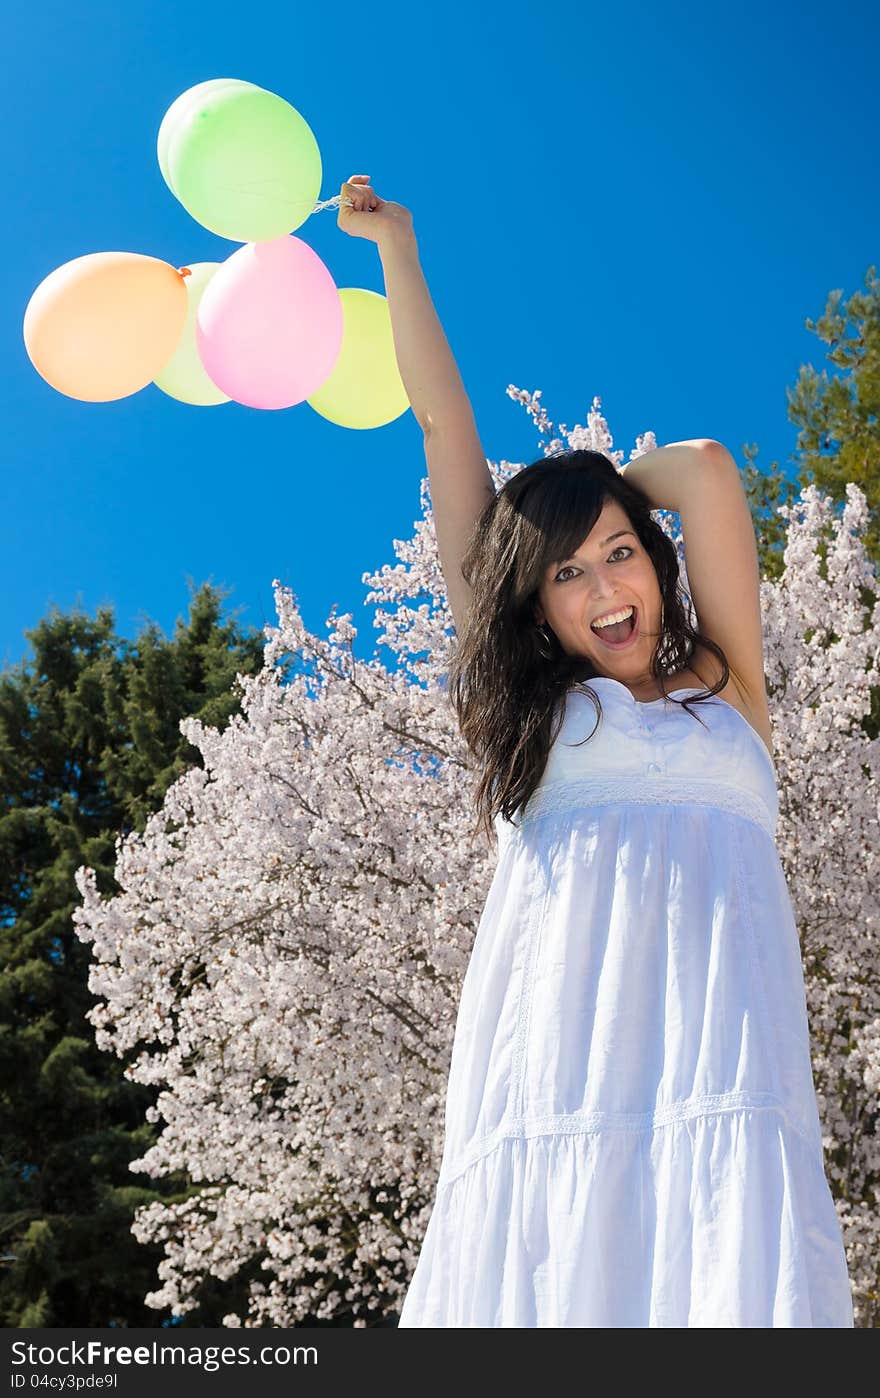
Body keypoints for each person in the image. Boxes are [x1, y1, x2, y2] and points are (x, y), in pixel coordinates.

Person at [338, 177, 855, 1327]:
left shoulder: (729, 683)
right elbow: (441, 430)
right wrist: (400, 254)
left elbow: (712, 468)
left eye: (619, 552)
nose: (603, 587)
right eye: (564, 574)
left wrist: (583, 488)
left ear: (655, 561)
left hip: (723, 1039)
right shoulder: (532, 709)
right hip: (561, 1042)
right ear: (531, 606)